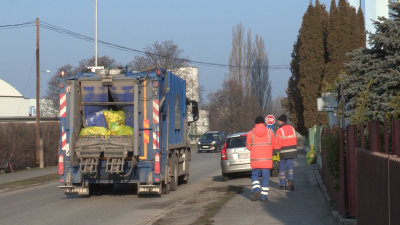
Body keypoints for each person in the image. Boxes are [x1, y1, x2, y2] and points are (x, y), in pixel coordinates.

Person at [246, 116, 275, 202]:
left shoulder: (250, 133)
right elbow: (273, 144)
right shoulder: (270, 132)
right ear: (263, 123)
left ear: (255, 123)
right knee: (265, 178)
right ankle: (263, 197)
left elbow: (248, 146)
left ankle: (256, 190)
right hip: (267, 161)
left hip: (255, 161)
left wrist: (254, 148)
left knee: (254, 176)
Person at [273, 114, 298, 191]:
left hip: (283, 152)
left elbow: (278, 143)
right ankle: (290, 180)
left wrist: (274, 151)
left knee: (281, 169)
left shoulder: (279, 130)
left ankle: (282, 185)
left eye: (278, 121)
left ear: (281, 121)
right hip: (292, 152)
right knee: (290, 168)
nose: (277, 122)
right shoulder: (292, 128)